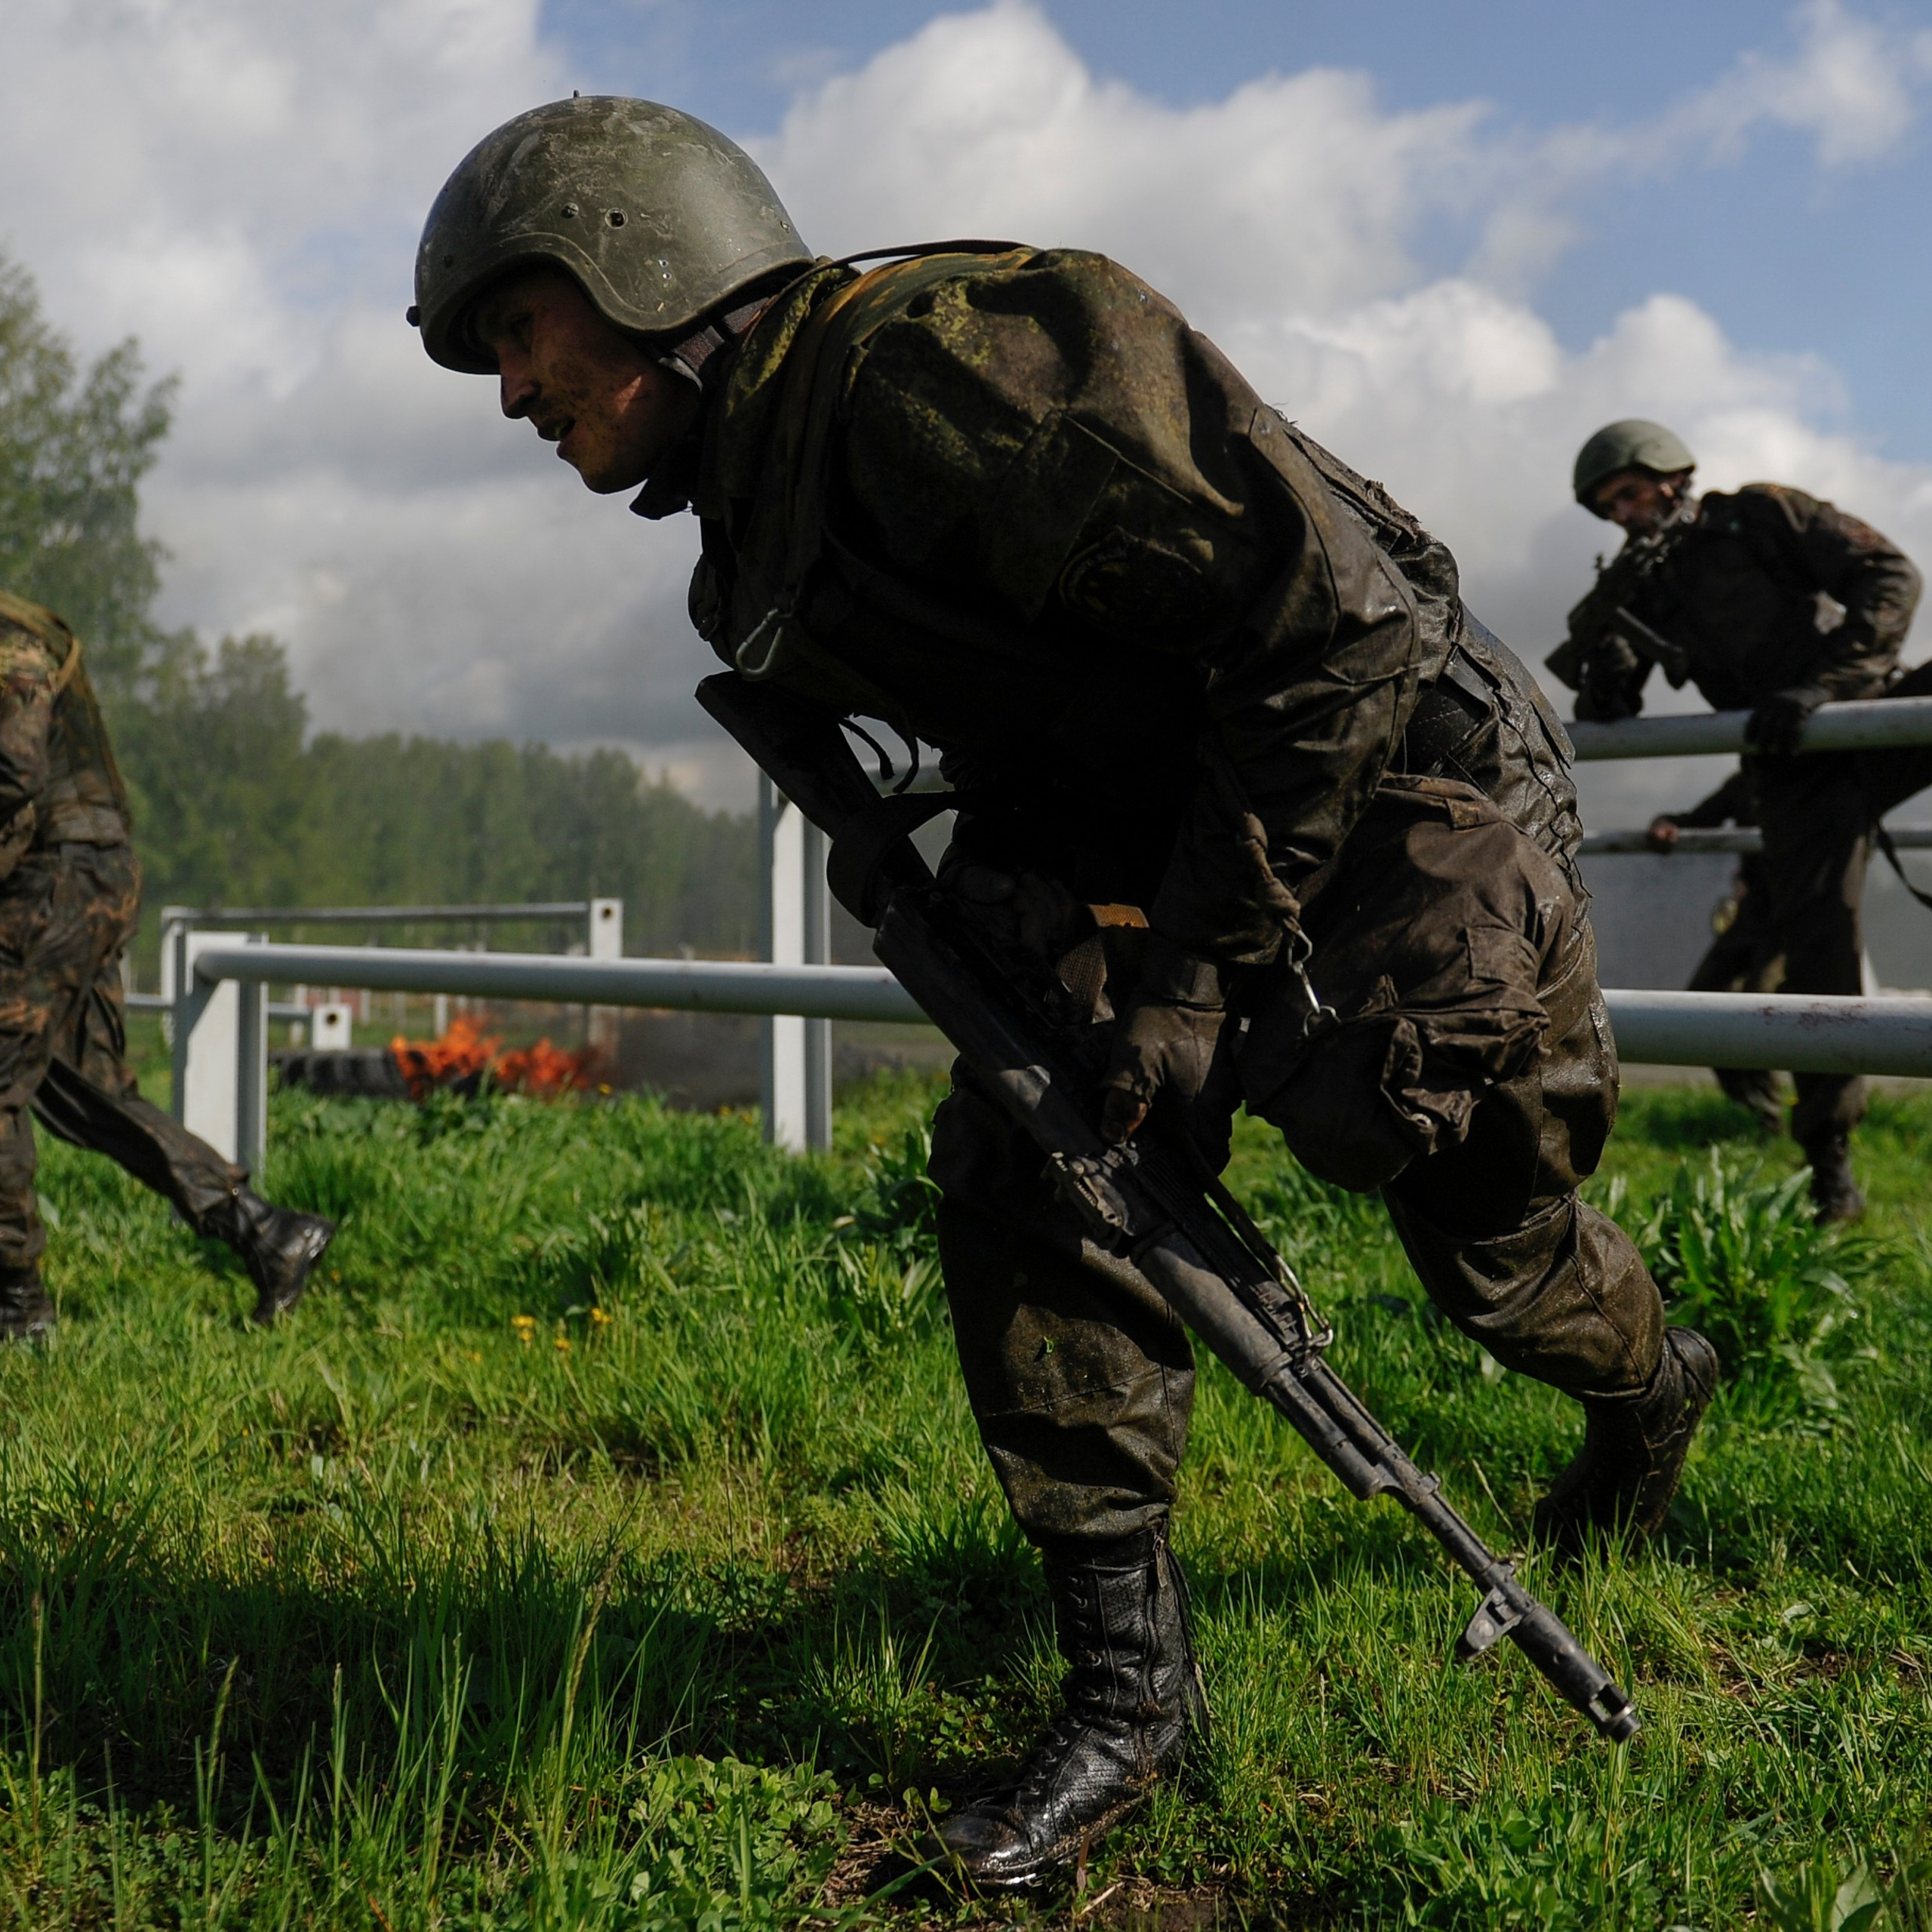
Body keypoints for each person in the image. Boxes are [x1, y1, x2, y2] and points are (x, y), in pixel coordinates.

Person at [411, 98, 1715, 1891]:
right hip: (1157, 820)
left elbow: (1338, 630)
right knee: (1043, 1152)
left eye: (518, 327)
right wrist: (1002, 941)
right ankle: (1128, 1693)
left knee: (1471, 1225)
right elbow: (1047, 722)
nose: (509, 390)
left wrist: (1191, 975)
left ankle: (1648, 1384)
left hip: (1398, 783)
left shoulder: (942, 372)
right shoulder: (757, 525)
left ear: (639, 262)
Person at [1550, 419, 1924, 1220]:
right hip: (1790, 771)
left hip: (1869, 714)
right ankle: (1830, 1167)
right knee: (1821, 960)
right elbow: (1614, 706)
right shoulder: (1643, 586)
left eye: (1629, 493)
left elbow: (1889, 573)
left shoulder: (1758, 514)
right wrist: (1605, 672)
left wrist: (1826, 685)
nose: (1624, 515)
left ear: (1669, 476)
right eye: (1609, 508)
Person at [0, 591, 337, 1339]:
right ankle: (269, 1234)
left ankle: (17, 1309)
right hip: (75, 881)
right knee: (84, 1089)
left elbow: (14, 769)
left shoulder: (9, 636)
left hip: (58, 885)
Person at [1645, 767, 1786, 1133]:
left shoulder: (1819, 781)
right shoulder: (1747, 783)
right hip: (1754, 913)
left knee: (1758, 1011)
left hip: (1799, 915)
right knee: (1702, 1005)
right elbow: (1696, 818)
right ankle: (1756, 1108)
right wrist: (1664, 825)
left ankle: (1772, 1117)